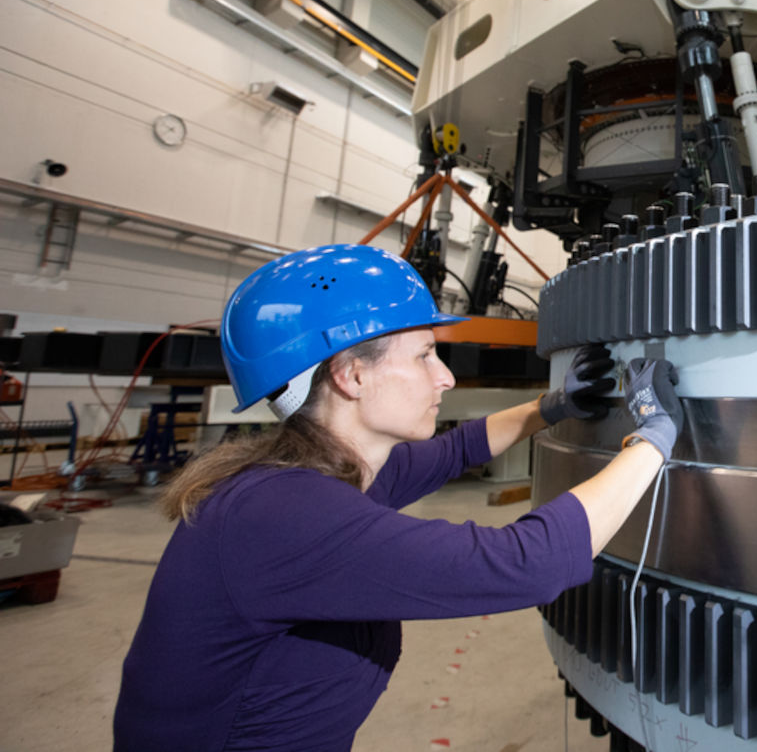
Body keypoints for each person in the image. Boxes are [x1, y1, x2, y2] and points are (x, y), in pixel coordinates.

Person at [113, 243, 684, 752]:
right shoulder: (283, 517)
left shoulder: (323, 473)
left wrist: (551, 406)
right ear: (350, 376)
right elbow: (525, 564)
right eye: (423, 356)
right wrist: (653, 436)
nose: (446, 378)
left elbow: (456, 450)